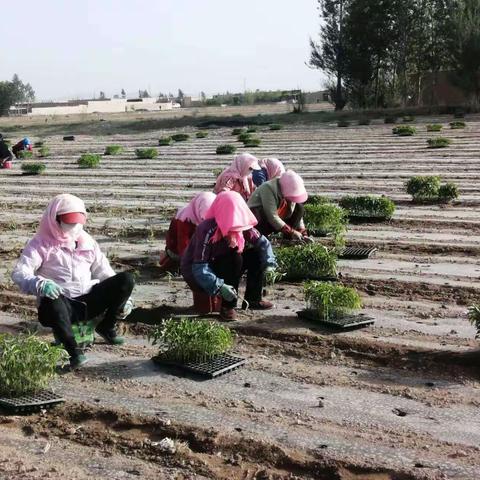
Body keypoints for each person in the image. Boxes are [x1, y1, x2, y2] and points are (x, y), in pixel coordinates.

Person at [11, 194, 135, 369]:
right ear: (55, 219)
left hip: (88, 301)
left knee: (126, 279)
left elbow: (104, 271)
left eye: (78, 221)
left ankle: (107, 326)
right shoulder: (40, 244)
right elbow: (20, 272)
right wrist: (40, 284)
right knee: (52, 301)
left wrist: (124, 298)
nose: (75, 227)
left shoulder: (87, 241)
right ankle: (74, 352)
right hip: (62, 306)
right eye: (69, 222)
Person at [181, 191, 277, 321]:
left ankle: (253, 299)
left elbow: (262, 243)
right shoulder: (207, 229)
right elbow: (199, 267)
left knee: (256, 255)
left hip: (224, 264)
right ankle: (227, 306)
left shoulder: (242, 224)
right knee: (234, 258)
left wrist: (269, 263)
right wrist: (219, 286)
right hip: (199, 272)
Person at [248, 169, 312, 243]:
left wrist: (303, 233)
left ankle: (290, 239)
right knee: (261, 213)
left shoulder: (288, 192)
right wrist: (291, 232)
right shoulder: (268, 188)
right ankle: (261, 240)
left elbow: (298, 216)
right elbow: (271, 216)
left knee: (299, 208)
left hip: (276, 218)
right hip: (260, 220)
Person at [159, 192, 216, 273]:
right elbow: (183, 246)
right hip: (177, 250)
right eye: (204, 218)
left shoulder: (214, 217)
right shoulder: (184, 219)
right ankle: (169, 259)